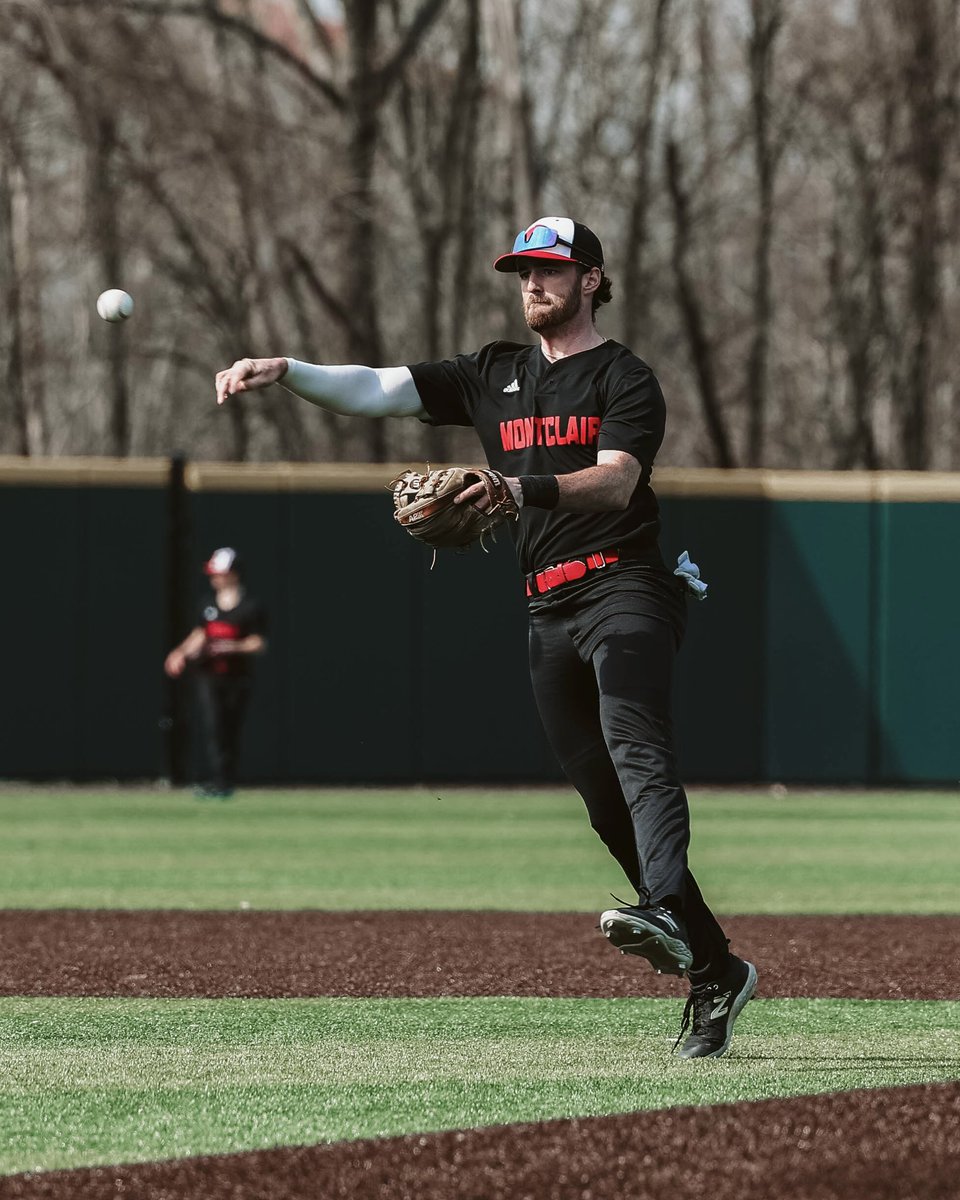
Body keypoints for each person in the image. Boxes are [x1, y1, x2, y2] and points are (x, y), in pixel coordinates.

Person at [213, 216, 757, 1058]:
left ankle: (664, 915)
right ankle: (714, 966)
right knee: (603, 803)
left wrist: (515, 483)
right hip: (546, 608)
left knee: (635, 748)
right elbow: (378, 387)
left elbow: (615, 486)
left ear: (592, 280)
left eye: (550, 269)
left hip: (627, 586)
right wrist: (288, 372)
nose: (532, 282)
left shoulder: (625, 377)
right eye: (523, 271)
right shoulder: (492, 372)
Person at [164, 547, 267, 799]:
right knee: (214, 728)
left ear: (233, 574)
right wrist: (180, 653)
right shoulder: (207, 604)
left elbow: (259, 642)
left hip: (238, 677)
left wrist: (233, 646)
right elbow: (200, 634)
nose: (215, 579)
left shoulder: (250, 606)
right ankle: (218, 780)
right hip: (210, 676)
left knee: (230, 728)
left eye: (220, 573)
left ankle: (226, 780)